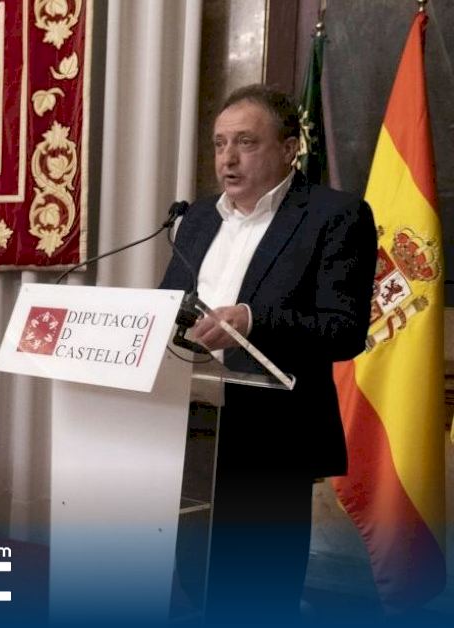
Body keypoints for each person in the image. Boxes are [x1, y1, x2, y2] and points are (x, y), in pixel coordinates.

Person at [159, 85, 377, 622]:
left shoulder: (335, 215)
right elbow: (169, 304)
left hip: (273, 435)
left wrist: (252, 320)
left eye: (246, 142)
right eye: (219, 144)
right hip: (190, 425)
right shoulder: (199, 218)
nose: (227, 159)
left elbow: (344, 330)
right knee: (192, 579)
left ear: (288, 148)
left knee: (258, 593)